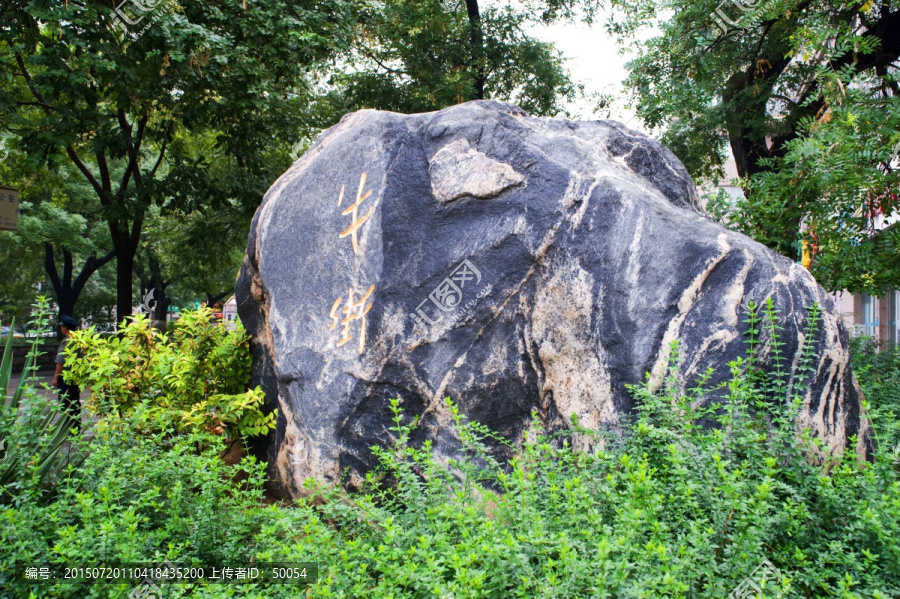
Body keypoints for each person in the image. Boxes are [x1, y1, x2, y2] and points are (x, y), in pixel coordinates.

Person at [52, 315, 81, 432]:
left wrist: (55, 378)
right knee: (75, 403)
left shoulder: (66, 342)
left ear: (65, 328)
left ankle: (67, 429)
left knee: (65, 403)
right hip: (76, 377)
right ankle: (76, 428)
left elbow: (60, 361)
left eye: (62, 326)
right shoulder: (78, 340)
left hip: (65, 378)